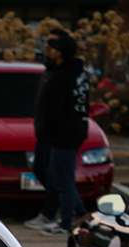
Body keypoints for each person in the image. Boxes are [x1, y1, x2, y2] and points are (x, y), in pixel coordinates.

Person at [27, 31, 88, 235]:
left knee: (62, 180)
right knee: (58, 177)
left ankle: (66, 222)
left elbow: (53, 109)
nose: (48, 51)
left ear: (60, 52)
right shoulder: (74, 72)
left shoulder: (61, 76)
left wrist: (45, 128)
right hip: (68, 132)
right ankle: (79, 213)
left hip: (63, 134)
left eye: (51, 47)